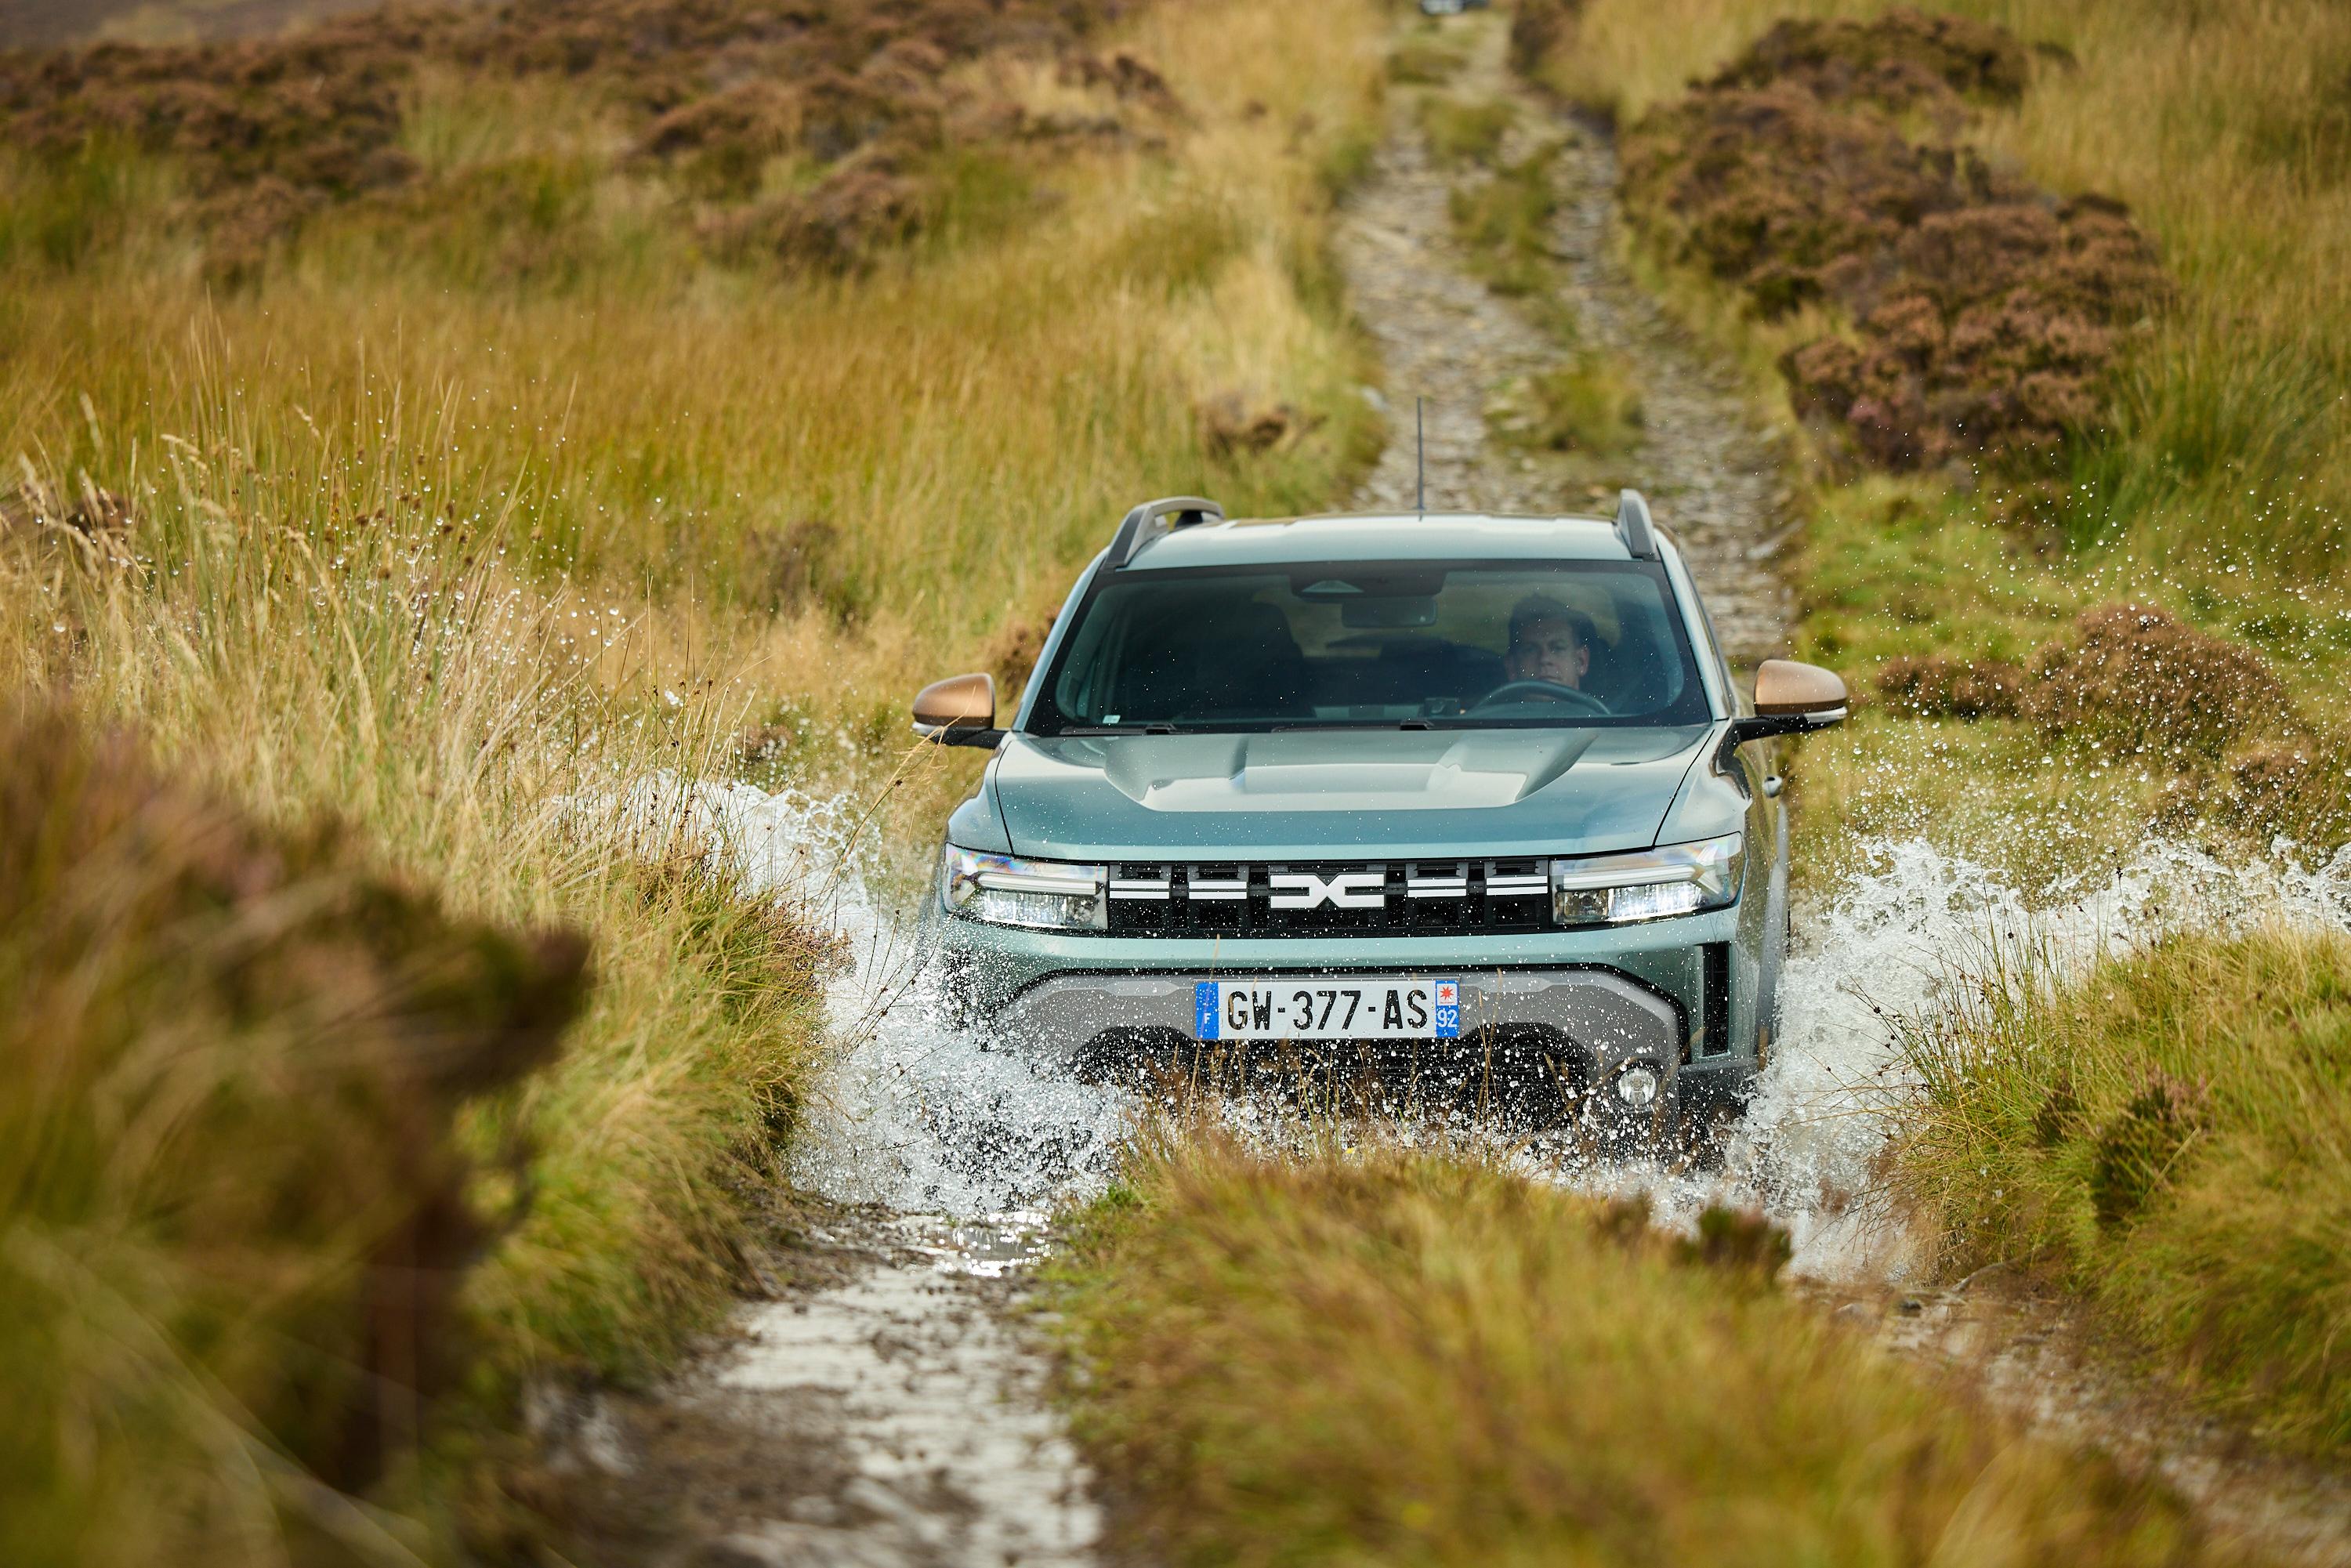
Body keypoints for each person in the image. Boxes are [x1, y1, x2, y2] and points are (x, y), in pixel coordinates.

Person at [1502, 594, 1598, 691]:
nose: (1544, 659)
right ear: (1512, 667)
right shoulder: (1491, 707)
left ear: (1581, 661)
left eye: (1558, 648)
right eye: (1530, 650)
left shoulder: (1611, 706)